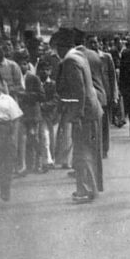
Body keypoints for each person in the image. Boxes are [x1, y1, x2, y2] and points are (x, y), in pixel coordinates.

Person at [53, 28, 103, 204]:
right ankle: (88, 189)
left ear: (61, 46)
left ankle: (86, 190)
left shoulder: (70, 61)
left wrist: (78, 115)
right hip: (90, 110)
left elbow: (79, 90)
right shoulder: (79, 56)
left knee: (82, 153)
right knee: (85, 152)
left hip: (84, 113)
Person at [0, 69, 23, 203]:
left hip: (5, 132)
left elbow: (16, 119)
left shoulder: (8, 99)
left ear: (2, 85)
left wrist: (13, 136)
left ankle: (5, 187)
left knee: (6, 164)